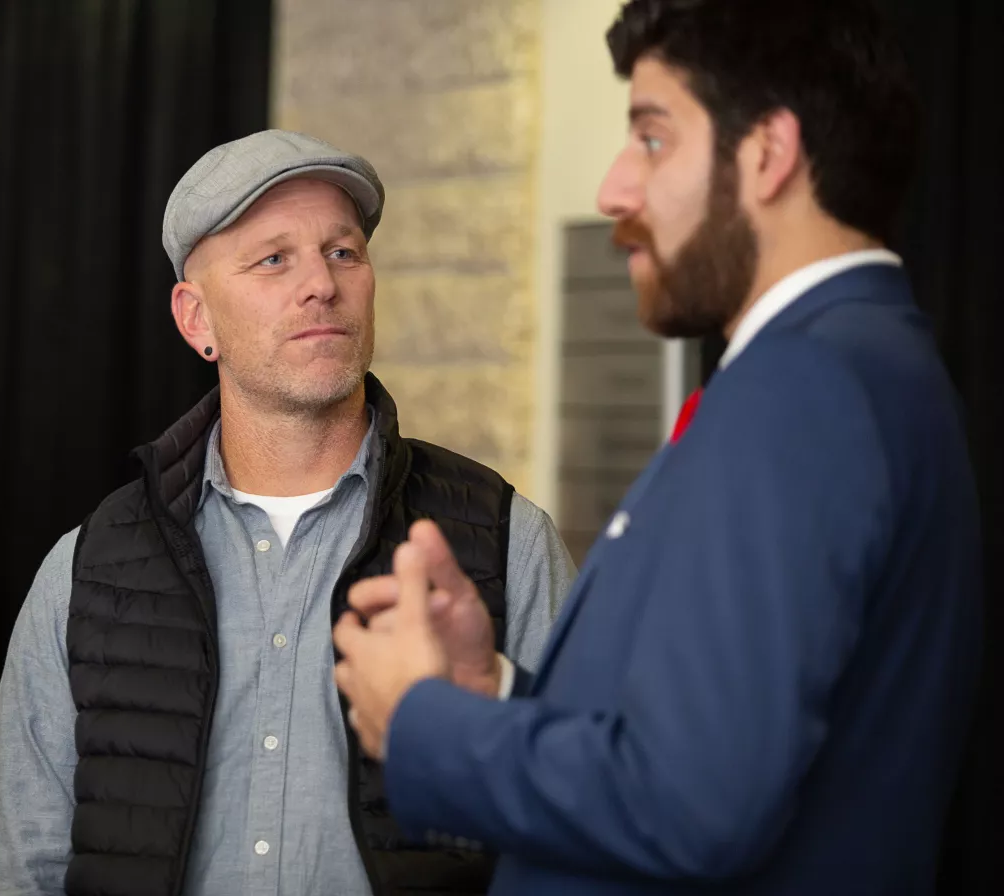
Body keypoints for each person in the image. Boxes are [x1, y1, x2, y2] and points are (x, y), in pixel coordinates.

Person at [333, 2, 983, 894]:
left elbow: (691, 809)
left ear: (768, 154)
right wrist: (492, 694)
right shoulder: (865, 364)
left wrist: (423, 725)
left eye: (651, 138)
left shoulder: (802, 391)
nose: (613, 188)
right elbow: (724, 749)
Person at [0, 129, 573, 896]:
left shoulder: (502, 539)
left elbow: (571, 826)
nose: (321, 284)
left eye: (343, 252)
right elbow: (24, 863)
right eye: (273, 259)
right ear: (196, 321)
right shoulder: (88, 569)